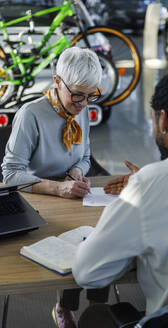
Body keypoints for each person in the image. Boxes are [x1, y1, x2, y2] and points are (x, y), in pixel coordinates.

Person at [71, 63, 168, 320]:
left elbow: (88, 273)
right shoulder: (153, 182)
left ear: (163, 119)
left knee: (94, 317)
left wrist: (145, 187)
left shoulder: (150, 185)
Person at [1, 46, 109, 328]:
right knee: (69, 244)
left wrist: (75, 171)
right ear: (57, 82)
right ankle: (64, 308)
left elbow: (85, 157)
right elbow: (10, 174)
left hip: (72, 196)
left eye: (91, 95)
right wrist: (58, 188)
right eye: (77, 95)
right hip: (38, 198)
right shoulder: (31, 115)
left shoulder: (81, 110)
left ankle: (97, 308)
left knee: (100, 238)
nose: (84, 104)